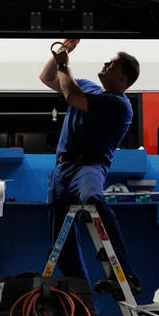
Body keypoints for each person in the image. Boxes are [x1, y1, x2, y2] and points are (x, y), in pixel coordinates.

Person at [40, 39, 141, 297]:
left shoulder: (120, 105)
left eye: (111, 64)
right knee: (60, 247)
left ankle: (125, 276)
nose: (105, 65)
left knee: (92, 198)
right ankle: (86, 307)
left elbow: (72, 95)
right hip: (61, 171)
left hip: (88, 165)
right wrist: (61, 55)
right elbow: (46, 77)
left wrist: (65, 65)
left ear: (122, 77)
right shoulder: (86, 85)